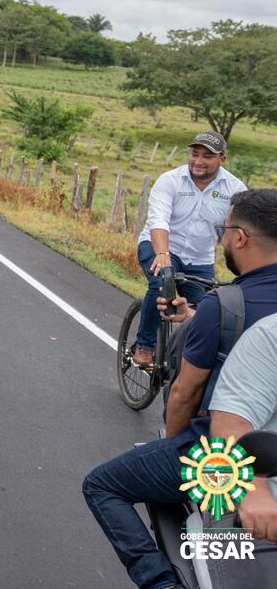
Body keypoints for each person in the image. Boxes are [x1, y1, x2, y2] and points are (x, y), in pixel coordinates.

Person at [82, 189, 277, 589]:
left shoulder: (225, 303)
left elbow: (184, 393)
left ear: (240, 238)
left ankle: (159, 580)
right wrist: (193, 316)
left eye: (224, 230)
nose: (221, 239)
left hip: (220, 455)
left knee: (101, 485)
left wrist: (171, 445)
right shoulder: (228, 307)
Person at [130, 131, 248, 367]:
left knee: (207, 310)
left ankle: (189, 358)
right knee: (162, 282)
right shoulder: (170, 180)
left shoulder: (235, 189)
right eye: (195, 154)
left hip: (200, 257)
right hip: (160, 246)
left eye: (207, 156)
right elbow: (159, 220)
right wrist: (163, 256)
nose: (198, 161)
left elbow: (235, 232)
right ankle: (145, 345)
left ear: (222, 159)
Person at [210, 313, 277, 544]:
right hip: (265, 517)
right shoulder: (269, 335)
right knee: (109, 484)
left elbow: (184, 394)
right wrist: (254, 493)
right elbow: (231, 420)